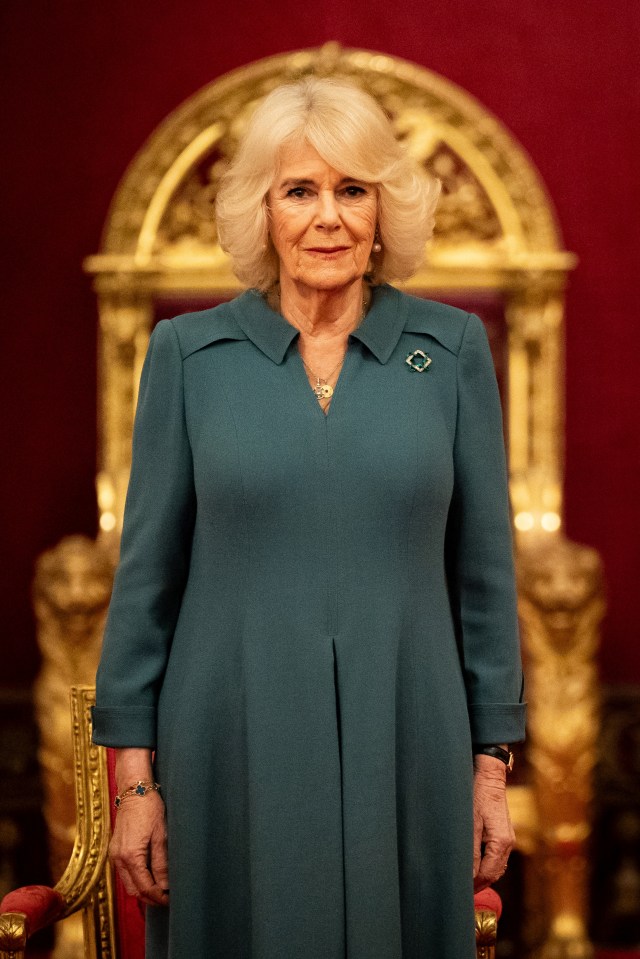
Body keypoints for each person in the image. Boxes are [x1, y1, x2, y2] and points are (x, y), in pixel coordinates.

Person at [92, 76, 526, 959]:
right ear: (262, 211)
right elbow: (146, 580)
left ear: (383, 212)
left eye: (351, 190)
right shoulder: (188, 356)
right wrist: (134, 785)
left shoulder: (449, 353)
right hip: (227, 730)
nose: (326, 217)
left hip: (411, 727)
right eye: (299, 190)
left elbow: (484, 574)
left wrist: (490, 766)